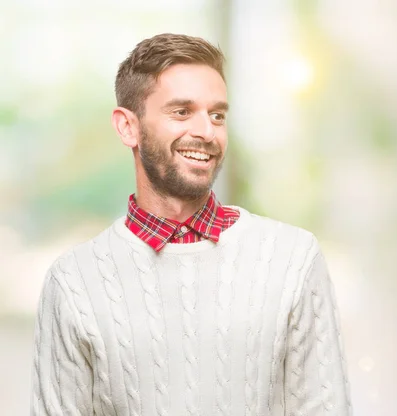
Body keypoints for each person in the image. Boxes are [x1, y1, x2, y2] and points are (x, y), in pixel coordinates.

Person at [30, 33, 352, 415]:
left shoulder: (292, 259)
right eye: (182, 112)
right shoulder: (74, 281)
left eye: (217, 115)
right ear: (127, 127)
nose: (206, 132)